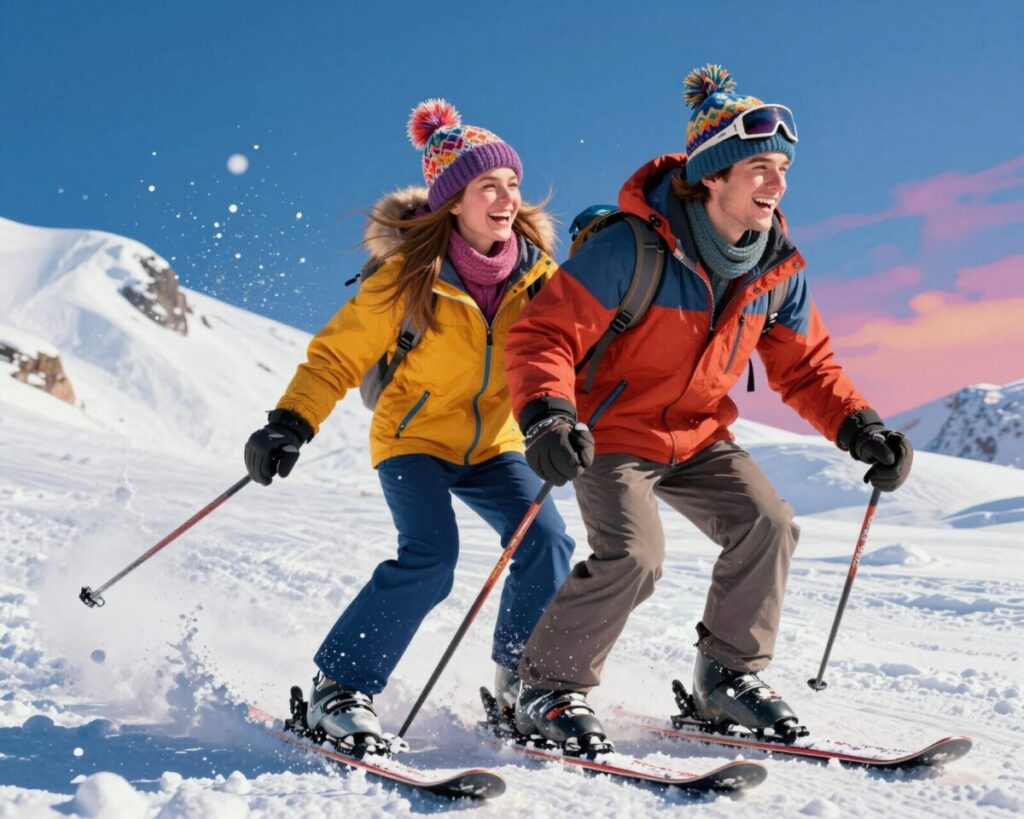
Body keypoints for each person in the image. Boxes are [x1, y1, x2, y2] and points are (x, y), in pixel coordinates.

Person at [503, 65, 913, 751]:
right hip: (612, 433)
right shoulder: (628, 249)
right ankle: (545, 686)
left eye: (782, 166)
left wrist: (860, 427)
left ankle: (725, 676)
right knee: (635, 557)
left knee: (769, 524)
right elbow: (544, 333)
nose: (778, 183)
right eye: (759, 166)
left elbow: (806, 366)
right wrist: (548, 413)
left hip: (696, 436)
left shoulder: (776, 266)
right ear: (713, 175)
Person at [243, 99, 574, 752]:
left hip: (495, 444)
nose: (506, 198)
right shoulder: (404, 275)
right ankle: (339, 686)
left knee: (548, 542)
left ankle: (522, 683)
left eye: (511, 183)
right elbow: (338, 353)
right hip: (414, 439)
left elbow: (569, 350)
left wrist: (563, 417)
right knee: (431, 556)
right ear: (453, 200)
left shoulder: (538, 276)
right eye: (488, 186)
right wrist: (290, 422)